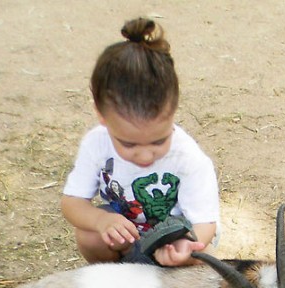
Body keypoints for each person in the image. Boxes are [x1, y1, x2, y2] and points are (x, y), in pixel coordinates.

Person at [61, 17, 219, 266]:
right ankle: (114, 278)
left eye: (159, 141)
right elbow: (72, 203)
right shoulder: (96, 144)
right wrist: (101, 221)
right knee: (89, 235)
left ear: (173, 112)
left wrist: (186, 244)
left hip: (172, 240)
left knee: (204, 255)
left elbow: (205, 223)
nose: (145, 156)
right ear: (101, 116)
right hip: (125, 235)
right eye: (129, 144)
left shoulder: (189, 158)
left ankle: (171, 276)